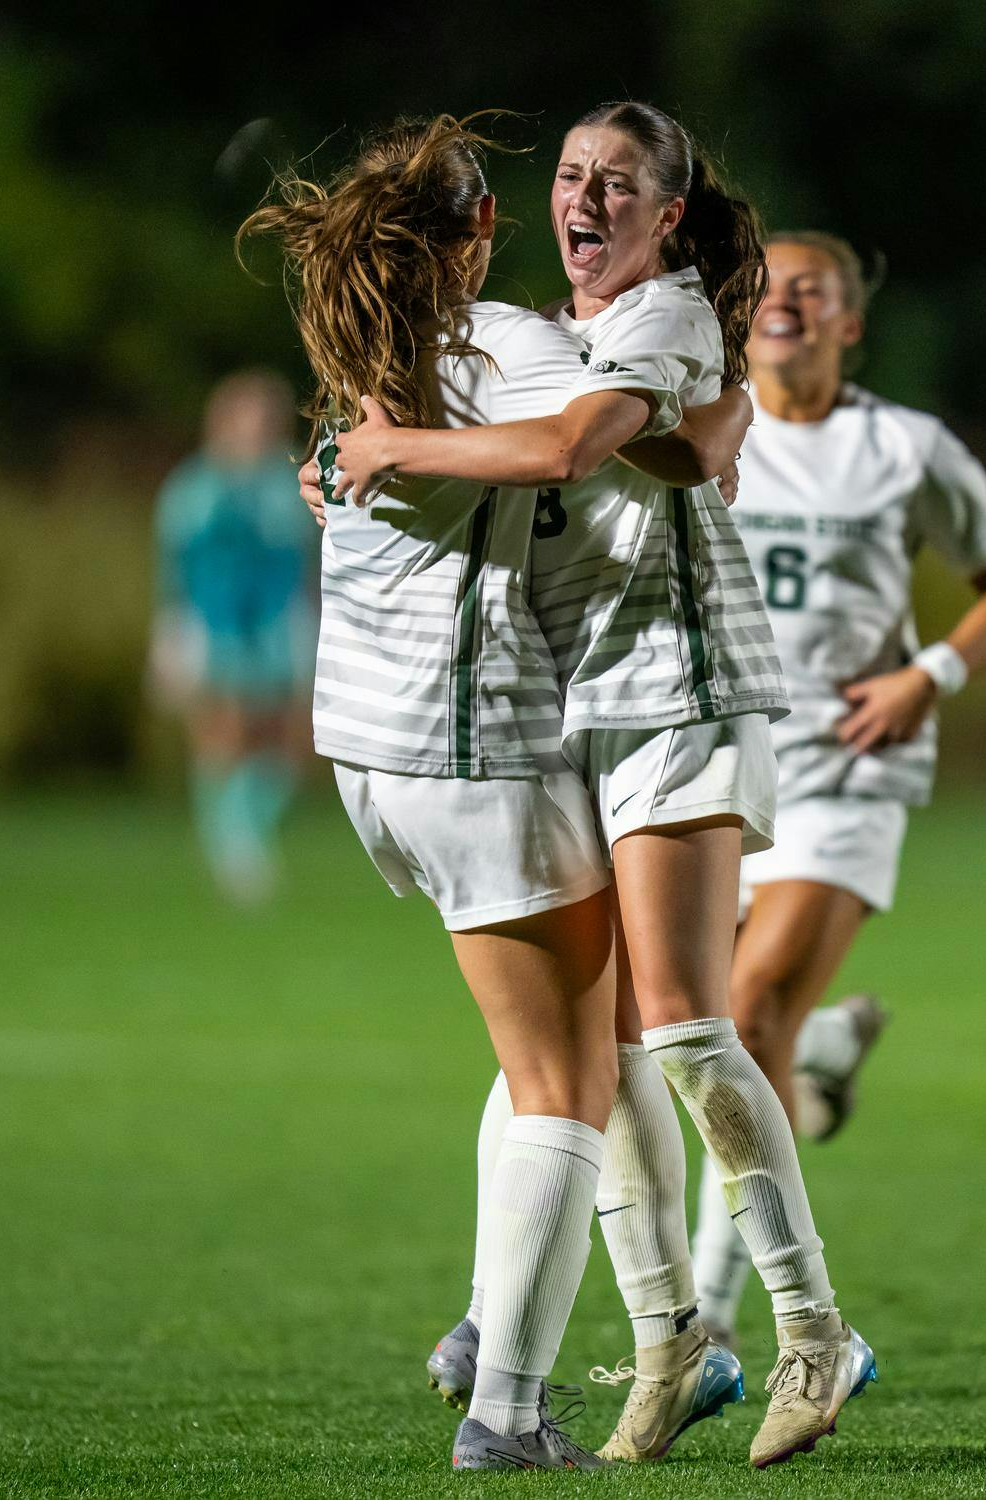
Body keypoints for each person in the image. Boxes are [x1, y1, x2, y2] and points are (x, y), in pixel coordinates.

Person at [329, 103, 876, 1471]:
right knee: (605, 1049)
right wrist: (351, 455)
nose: (585, 198)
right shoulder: (546, 337)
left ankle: (812, 1329)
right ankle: (669, 1338)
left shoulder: (663, 318)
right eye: (571, 175)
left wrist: (386, 449)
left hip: (681, 689)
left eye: (617, 183)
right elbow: (612, 437)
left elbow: (579, 444)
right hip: (587, 710)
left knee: (680, 1028)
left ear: (666, 216)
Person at [246, 113, 748, 1473]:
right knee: (567, 1080)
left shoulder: (368, 360)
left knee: (559, 1037)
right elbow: (598, 431)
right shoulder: (510, 348)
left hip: (369, 757)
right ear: (480, 228)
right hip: (474, 751)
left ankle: (498, 1327)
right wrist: (723, 404)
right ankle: (508, 1411)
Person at [689, 232, 986, 1347]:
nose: (786, 302)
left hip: (848, 764)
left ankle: (712, 1313)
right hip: (714, 757)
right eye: (769, 285)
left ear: (848, 322)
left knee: (745, 1014)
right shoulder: (698, 425)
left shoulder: (904, 447)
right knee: (697, 1031)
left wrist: (925, 677)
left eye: (814, 290)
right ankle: (821, 1053)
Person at [149, 372, 316, 903]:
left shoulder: (289, 482)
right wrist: (170, 635)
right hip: (212, 625)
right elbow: (174, 565)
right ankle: (229, 841)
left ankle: (245, 826)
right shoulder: (193, 488)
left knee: (288, 737)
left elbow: (310, 558)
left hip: (279, 624)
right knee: (222, 732)